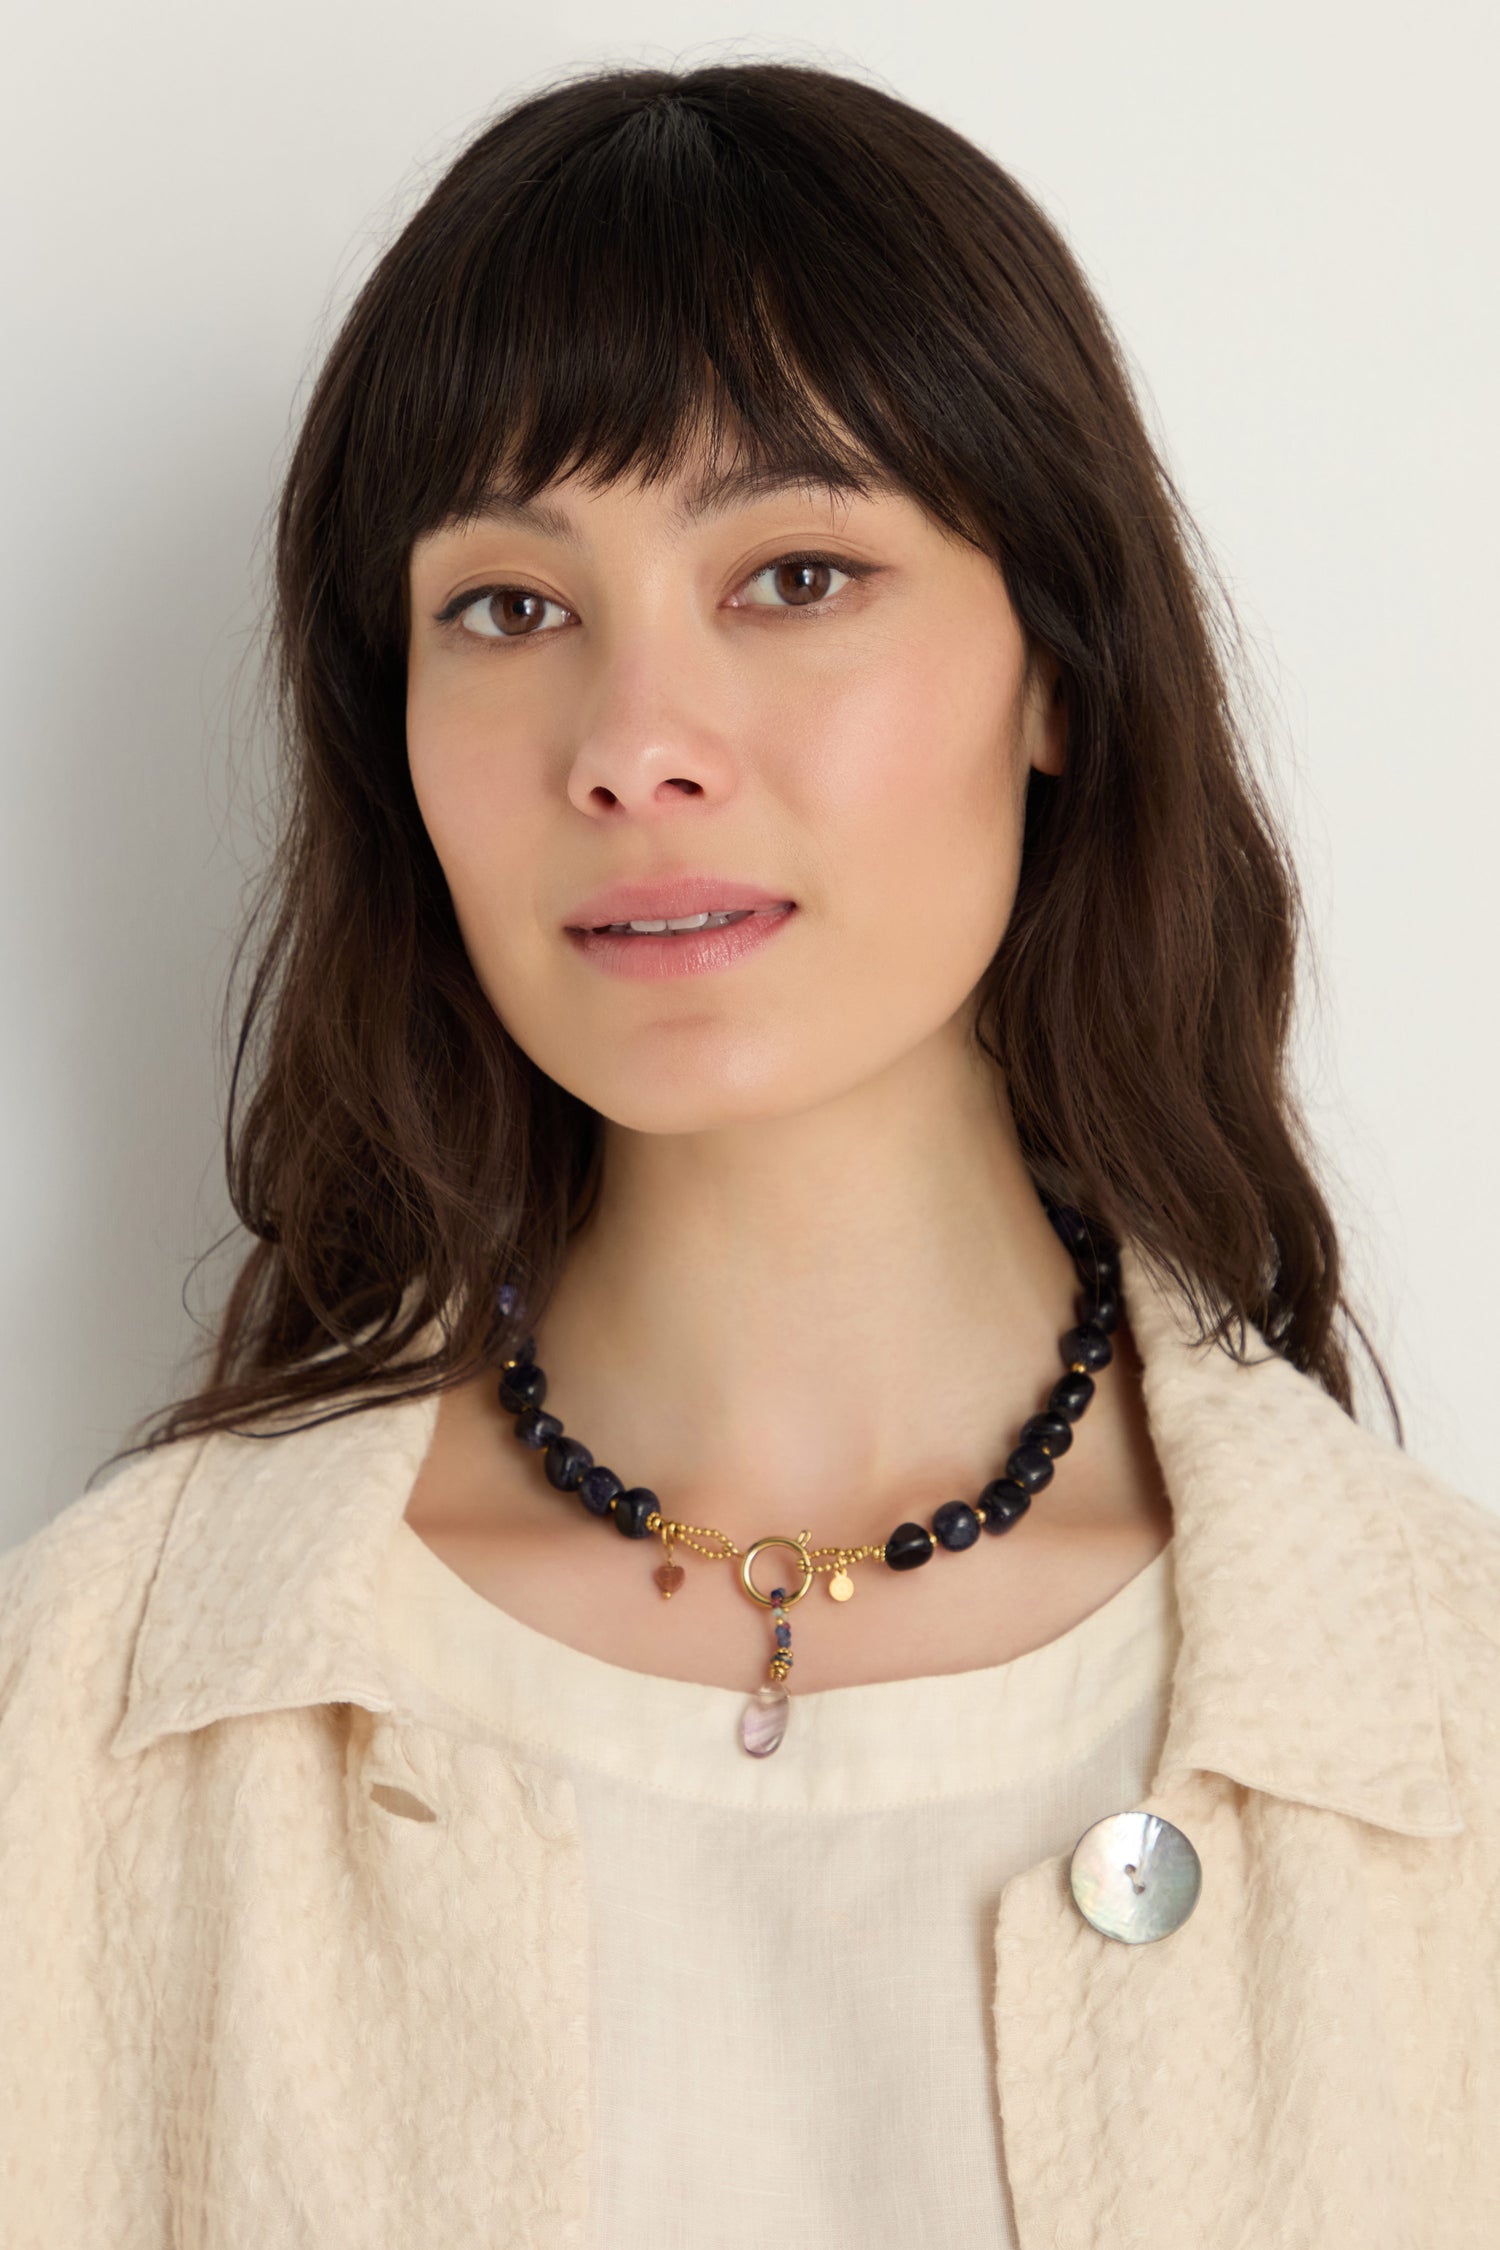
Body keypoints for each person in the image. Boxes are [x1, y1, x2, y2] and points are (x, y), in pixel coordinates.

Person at [2, 58, 1496, 2248]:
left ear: (1058, 671)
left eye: (795, 571)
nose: (632, 748)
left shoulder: (1450, 1727)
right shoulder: (82, 1731)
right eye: (509, 606)